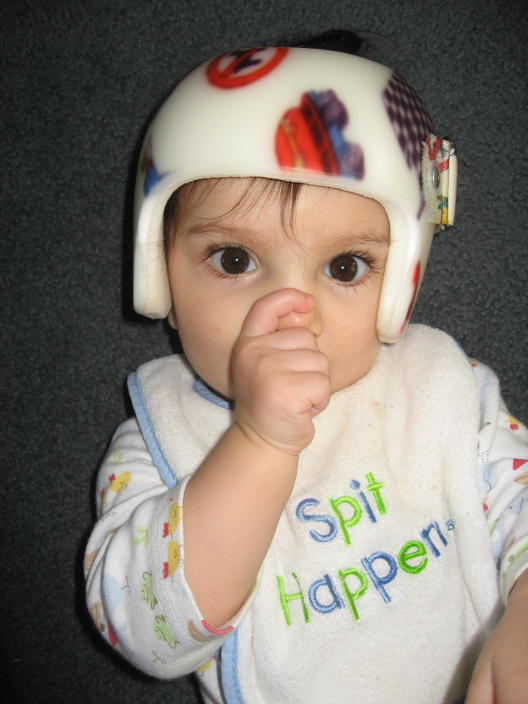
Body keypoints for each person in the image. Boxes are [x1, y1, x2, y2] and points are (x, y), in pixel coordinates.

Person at [84, 34, 528, 704]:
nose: (292, 312)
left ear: (402, 281)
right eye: (235, 260)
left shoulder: (444, 388)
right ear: (158, 274)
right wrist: (257, 442)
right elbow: (148, 635)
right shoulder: (153, 443)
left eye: (345, 267)